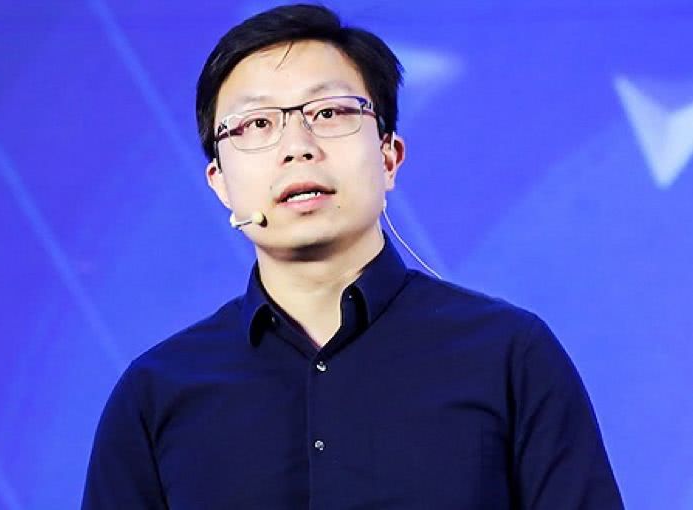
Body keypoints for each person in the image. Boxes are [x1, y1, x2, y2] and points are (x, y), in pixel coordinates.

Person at [82, 4, 623, 509]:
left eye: (329, 112)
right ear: (219, 182)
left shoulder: (509, 355)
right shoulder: (155, 395)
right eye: (258, 124)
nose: (298, 146)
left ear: (389, 157)